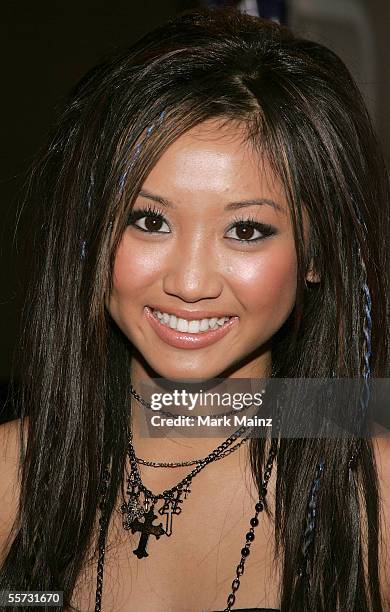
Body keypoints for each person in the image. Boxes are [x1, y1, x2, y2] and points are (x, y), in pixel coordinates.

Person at [0, 6, 389, 612]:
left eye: (247, 230)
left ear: (318, 253)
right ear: (95, 233)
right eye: (149, 221)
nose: (188, 282)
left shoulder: (378, 499)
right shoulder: (10, 481)